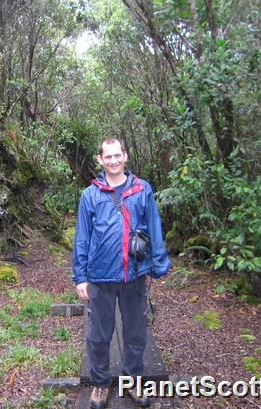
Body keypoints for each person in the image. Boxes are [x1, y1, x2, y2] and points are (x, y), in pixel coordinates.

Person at [72, 137, 171, 409]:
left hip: (135, 274)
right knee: (98, 335)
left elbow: (154, 229)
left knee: (136, 333)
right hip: (100, 277)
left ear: (125, 156)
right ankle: (100, 384)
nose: (113, 161)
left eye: (118, 155)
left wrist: (155, 266)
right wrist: (80, 276)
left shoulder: (142, 190)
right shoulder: (90, 195)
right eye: (108, 156)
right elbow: (82, 237)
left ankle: (134, 381)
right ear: (100, 159)